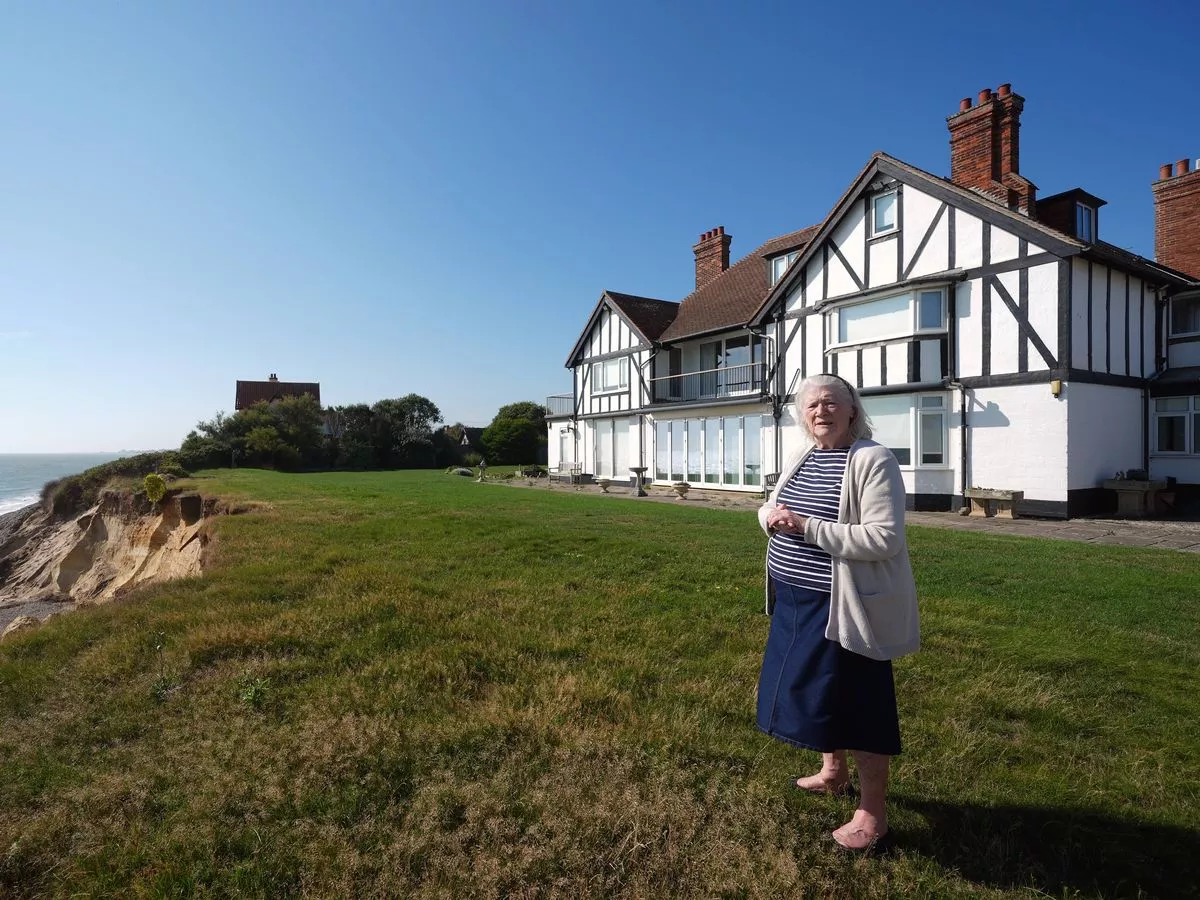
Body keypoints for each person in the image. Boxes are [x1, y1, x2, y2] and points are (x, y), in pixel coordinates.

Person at [757, 373, 919, 854]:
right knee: (822, 696)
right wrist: (770, 517)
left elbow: (882, 538)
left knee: (860, 705)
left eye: (831, 403)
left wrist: (805, 527)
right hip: (794, 600)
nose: (820, 412)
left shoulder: (872, 459)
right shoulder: (804, 455)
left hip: (847, 605)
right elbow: (773, 506)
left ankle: (873, 814)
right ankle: (833, 772)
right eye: (811, 406)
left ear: (852, 410)